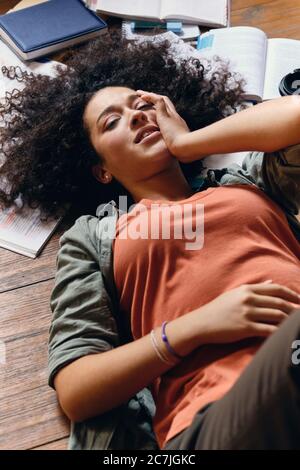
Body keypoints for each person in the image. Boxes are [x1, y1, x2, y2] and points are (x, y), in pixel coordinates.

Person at [0, 32, 300, 450]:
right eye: (112, 122)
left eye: (143, 106)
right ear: (102, 170)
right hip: (215, 417)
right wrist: (194, 327)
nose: (138, 117)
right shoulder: (97, 236)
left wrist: (188, 142)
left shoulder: (248, 183)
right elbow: (75, 389)